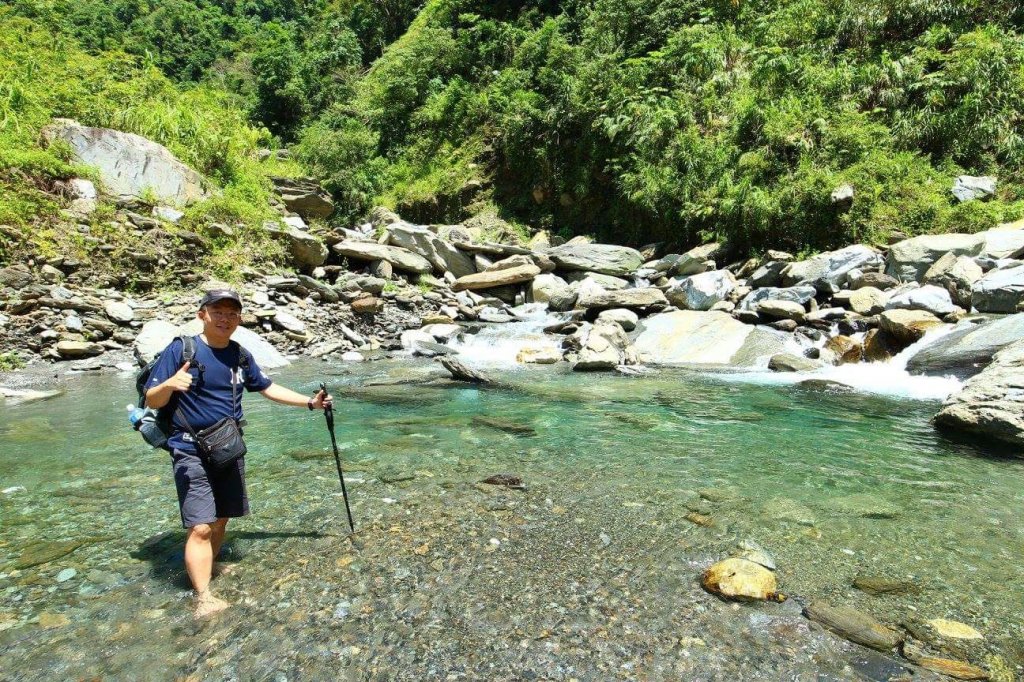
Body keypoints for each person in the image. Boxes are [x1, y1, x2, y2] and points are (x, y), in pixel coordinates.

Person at [145, 289, 332, 617]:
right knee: (200, 525)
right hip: (189, 447)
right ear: (203, 314)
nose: (225, 318)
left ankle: (210, 567)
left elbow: (267, 387)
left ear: (240, 319)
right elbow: (152, 400)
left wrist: (310, 402)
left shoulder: (240, 355)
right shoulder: (182, 349)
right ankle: (203, 598)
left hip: (227, 445)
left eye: (232, 313)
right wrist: (170, 385)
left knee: (221, 518)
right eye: (218, 311)